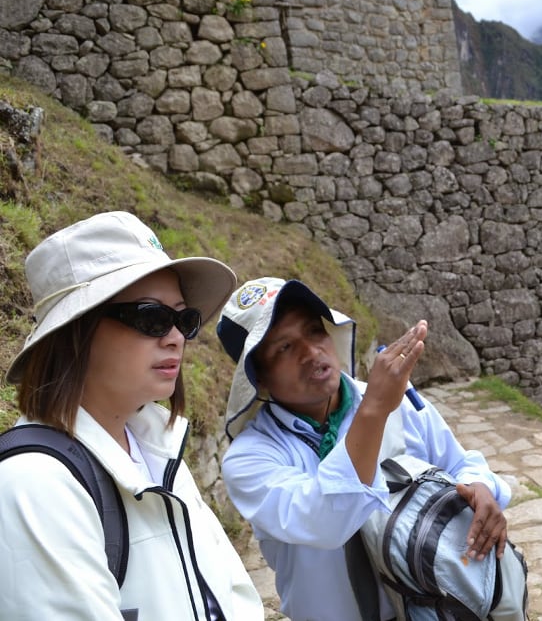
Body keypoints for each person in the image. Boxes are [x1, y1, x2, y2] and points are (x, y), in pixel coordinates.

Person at [0, 211, 264, 620]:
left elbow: (235, 597)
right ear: (75, 333)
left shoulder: (157, 451)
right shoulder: (34, 486)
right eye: (152, 318)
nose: (176, 337)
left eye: (184, 319)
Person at [217, 276, 513, 621]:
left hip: (430, 609)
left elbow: (459, 462)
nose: (311, 352)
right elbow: (326, 520)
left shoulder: (398, 400)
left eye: (315, 330)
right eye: (284, 347)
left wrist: (480, 487)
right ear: (259, 378)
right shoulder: (250, 458)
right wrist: (373, 409)